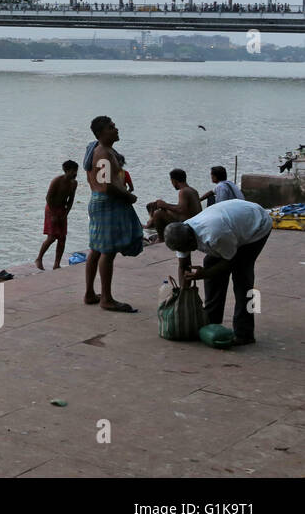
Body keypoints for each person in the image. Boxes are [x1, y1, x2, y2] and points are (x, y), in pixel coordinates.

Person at [164, 199, 273, 345]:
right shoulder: (181, 234)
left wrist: (204, 274)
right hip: (233, 222)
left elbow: (230, 262)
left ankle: (245, 333)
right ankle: (212, 321)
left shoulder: (215, 235)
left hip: (256, 225)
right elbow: (183, 266)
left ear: (191, 239)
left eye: (189, 247)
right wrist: (183, 296)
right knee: (210, 264)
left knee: (242, 277)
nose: (187, 251)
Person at [83, 116, 143, 313]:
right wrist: (129, 197)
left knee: (96, 249)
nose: (116, 129)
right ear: (101, 133)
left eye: (115, 126)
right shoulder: (101, 153)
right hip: (106, 204)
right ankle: (106, 298)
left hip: (102, 203)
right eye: (111, 127)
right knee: (107, 251)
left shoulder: (103, 150)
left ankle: (90, 293)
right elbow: (106, 185)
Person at [36, 161, 78, 270]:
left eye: (76, 171)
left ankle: (57, 264)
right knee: (52, 237)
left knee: (62, 238)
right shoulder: (57, 181)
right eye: (72, 171)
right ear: (66, 171)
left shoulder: (74, 183)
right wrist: (54, 214)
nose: (75, 173)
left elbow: (71, 200)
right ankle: (39, 258)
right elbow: (48, 198)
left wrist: (66, 213)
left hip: (62, 210)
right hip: (51, 209)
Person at [144, 169, 201, 238]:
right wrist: (165, 206)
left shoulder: (183, 191)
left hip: (188, 225)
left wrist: (165, 205)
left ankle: (161, 239)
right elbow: (184, 208)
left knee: (158, 213)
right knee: (163, 209)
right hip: (194, 222)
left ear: (174, 181)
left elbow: (181, 210)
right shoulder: (193, 190)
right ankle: (149, 225)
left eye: (171, 181)